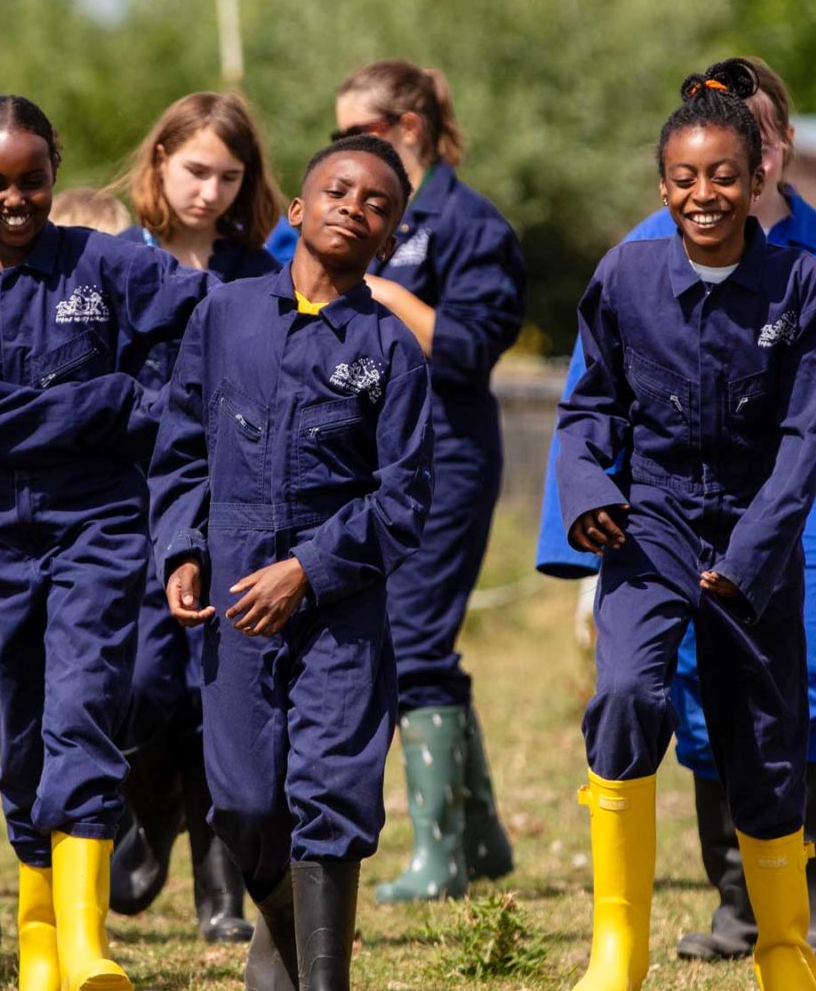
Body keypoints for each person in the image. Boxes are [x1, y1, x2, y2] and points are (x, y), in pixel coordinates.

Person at [534, 55, 816, 963]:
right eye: (685, 178)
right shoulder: (624, 275)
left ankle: (783, 948)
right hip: (649, 530)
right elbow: (588, 408)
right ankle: (619, 946)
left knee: (768, 741)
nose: (705, 194)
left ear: (760, 171)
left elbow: (810, 435)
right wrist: (588, 495)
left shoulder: (805, 282)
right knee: (626, 694)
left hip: (756, 536)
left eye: (724, 175)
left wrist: (756, 554)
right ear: (662, 184)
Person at [0, 94, 211, 991]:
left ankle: (86, 945)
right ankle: (38, 934)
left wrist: (146, 400)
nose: (15, 200)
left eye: (32, 181)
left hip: (101, 527)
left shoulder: (108, 265)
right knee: (27, 736)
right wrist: (105, 404)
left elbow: (202, 317)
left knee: (83, 708)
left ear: (55, 172)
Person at [151, 133, 432, 991]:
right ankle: (283, 933)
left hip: (340, 599)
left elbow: (404, 498)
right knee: (238, 796)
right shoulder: (223, 313)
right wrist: (182, 549)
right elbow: (180, 447)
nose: (356, 206)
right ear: (299, 210)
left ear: (389, 239)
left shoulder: (391, 349)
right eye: (339, 191)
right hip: (234, 586)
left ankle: (320, 978)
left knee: (333, 789)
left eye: (378, 204)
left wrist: (309, 569)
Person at [292, 59, 521, 904]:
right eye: (337, 136)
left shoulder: (470, 225)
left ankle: (437, 857)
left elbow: (469, 353)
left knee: (415, 643)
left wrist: (384, 293)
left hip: (449, 460)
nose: (346, 152)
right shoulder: (358, 212)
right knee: (421, 645)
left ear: (410, 128)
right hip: (370, 463)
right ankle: (483, 838)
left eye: (362, 129)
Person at [99, 90, 285, 943]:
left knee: (222, 693)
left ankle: (222, 890)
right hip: (129, 501)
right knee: (141, 685)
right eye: (195, 170)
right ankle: (151, 815)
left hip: (235, 505)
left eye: (228, 176)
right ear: (160, 159)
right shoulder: (112, 259)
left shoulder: (260, 271)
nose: (208, 191)